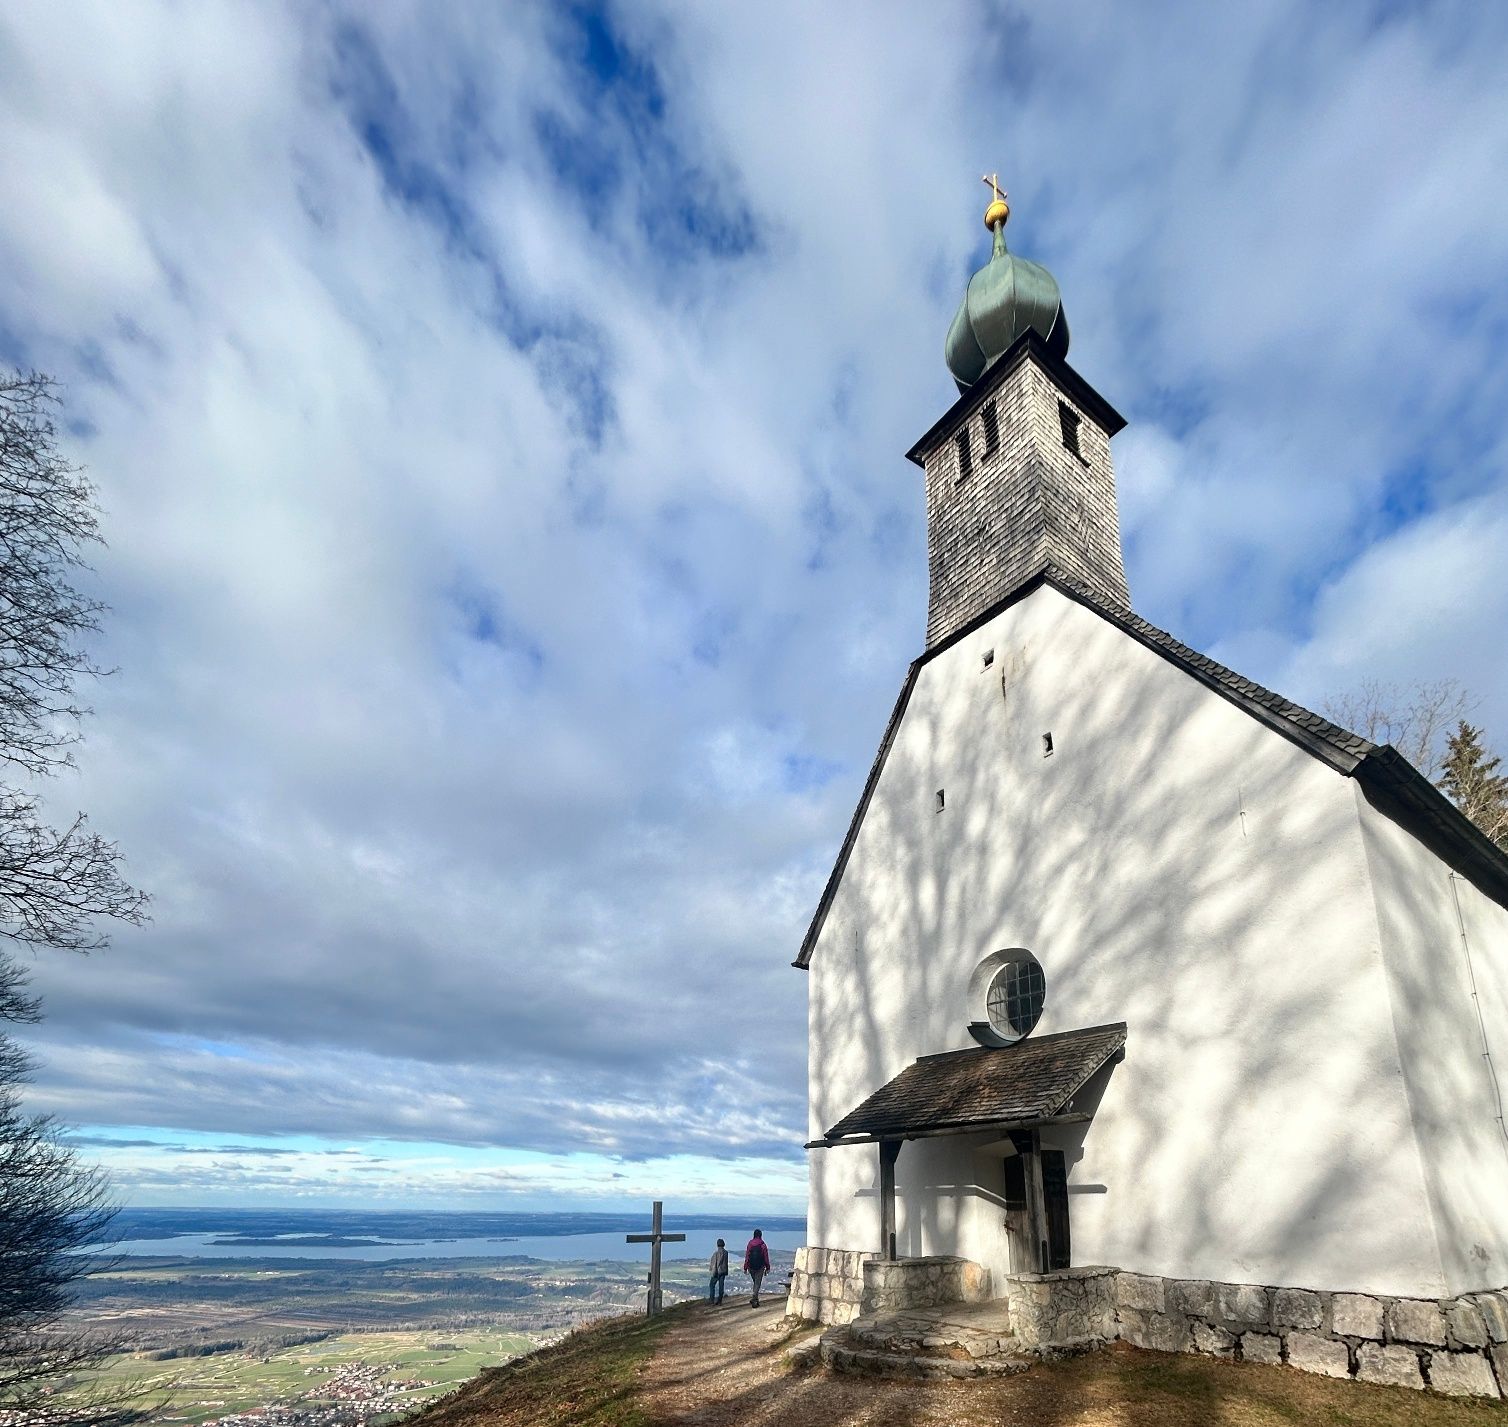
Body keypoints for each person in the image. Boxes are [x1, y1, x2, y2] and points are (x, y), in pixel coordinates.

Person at [743, 1228, 770, 1307]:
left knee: (756, 1282)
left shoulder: (750, 1244)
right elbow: (766, 1257)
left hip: (751, 1267)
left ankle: (755, 1298)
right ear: (760, 1235)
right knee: (757, 1283)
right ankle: (755, 1299)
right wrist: (767, 1267)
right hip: (760, 1267)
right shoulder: (763, 1244)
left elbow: (747, 1256)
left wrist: (745, 1267)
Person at [707, 1238, 729, 1304]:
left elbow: (714, 1264)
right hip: (723, 1271)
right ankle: (720, 1300)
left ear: (717, 1245)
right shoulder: (726, 1253)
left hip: (717, 1272)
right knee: (721, 1286)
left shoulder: (716, 1253)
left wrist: (713, 1272)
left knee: (711, 1285)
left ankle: (711, 1300)